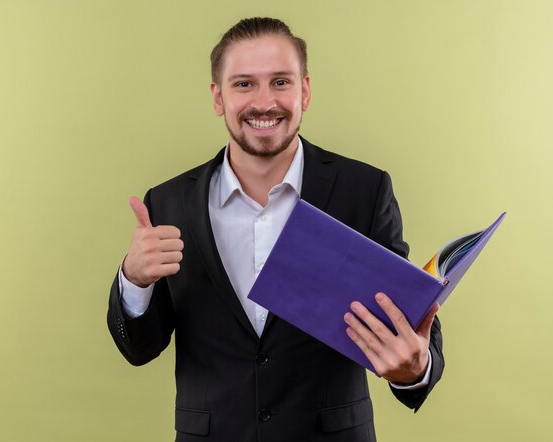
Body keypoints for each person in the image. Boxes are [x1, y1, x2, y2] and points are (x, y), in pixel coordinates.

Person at [107, 17, 444, 442]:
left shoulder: (365, 189)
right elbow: (138, 348)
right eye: (244, 84)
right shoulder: (168, 202)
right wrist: (134, 280)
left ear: (305, 90)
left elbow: (409, 320)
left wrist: (416, 370)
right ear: (218, 97)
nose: (264, 102)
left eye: (280, 82)